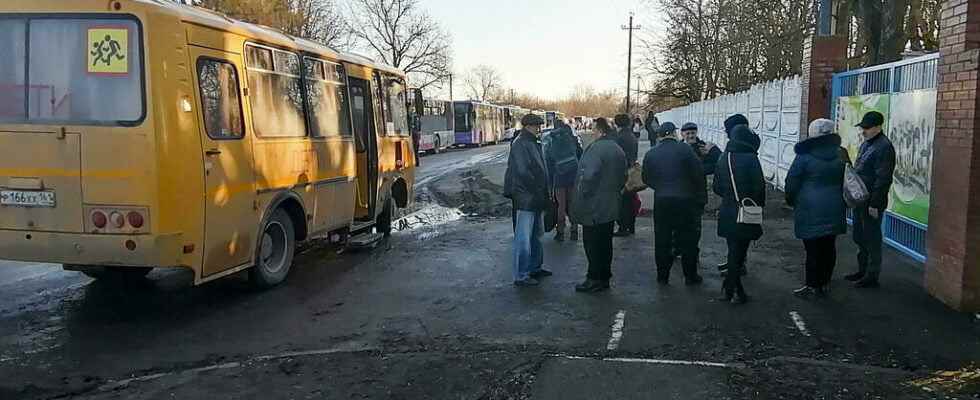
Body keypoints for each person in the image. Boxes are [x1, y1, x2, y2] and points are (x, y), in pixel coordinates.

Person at [785, 119, 847, 298]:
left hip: (809, 207)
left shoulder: (805, 156)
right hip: (835, 206)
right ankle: (825, 281)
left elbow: (792, 182)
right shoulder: (841, 153)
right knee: (829, 246)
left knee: (812, 249)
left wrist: (791, 200)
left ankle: (812, 285)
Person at [642, 122, 707, 285]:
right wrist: (699, 198)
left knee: (662, 239)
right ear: (673, 133)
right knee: (688, 239)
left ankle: (662, 276)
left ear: (660, 135)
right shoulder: (685, 149)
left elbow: (646, 178)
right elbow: (698, 175)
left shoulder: (651, 154)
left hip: (662, 201)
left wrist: (661, 187)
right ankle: (690, 276)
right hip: (685, 201)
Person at [570, 118, 628, 293]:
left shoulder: (596, 149)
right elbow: (624, 176)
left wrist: (583, 193)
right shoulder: (617, 149)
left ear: (601, 131)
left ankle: (593, 278)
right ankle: (604, 277)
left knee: (592, 244)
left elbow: (589, 176)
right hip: (611, 204)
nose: (592, 132)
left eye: (594, 129)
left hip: (594, 206)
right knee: (605, 243)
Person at [713, 125, 765, 304]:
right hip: (746, 210)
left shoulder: (723, 157)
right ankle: (731, 290)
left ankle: (734, 290)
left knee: (733, 251)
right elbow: (759, 187)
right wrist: (756, 206)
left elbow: (716, 187)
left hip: (727, 210)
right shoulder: (751, 158)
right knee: (739, 253)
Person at [845, 111, 896, 288]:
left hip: (872, 202)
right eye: (863, 127)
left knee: (872, 237)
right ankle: (862, 270)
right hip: (861, 199)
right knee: (860, 235)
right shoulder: (868, 144)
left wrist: (874, 204)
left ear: (878, 127)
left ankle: (871, 276)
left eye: (867, 128)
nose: (863, 131)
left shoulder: (884, 147)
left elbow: (883, 179)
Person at [503, 113, 552, 287]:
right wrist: (539, 188)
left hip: (532, 196)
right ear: (528, 126)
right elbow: (524, 172)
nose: (539, 129)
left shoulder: (530, 141)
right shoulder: (522, 143)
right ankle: (522, 274)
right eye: (536, 126)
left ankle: (534, 268)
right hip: (526, 196)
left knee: (536, 235)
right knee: (524, 238)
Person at [716, 113, 751, 275]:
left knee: (734, 237)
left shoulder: (729, 154)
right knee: (744, 237)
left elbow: (718, 185)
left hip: (732, 203)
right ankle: (737, 262)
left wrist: (727, 194)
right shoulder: (752, 151)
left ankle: (735, 265)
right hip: (751, 204)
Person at [545, 119, 584, 242]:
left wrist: (550, 182)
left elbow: (549, 161)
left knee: (561, 205)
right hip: (573, 175)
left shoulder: (552, 140)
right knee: (572, 203)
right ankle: (574, 231)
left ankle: (560, 232)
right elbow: (580, 154)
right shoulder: (572, 138)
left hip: (559, 176)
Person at [612, 113, 639, 237]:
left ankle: (623, 227)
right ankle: (631, 225)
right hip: (631, 171)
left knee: (622, 202)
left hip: (622, 172)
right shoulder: (631, 136)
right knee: (630, 199)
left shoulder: (619, 137)